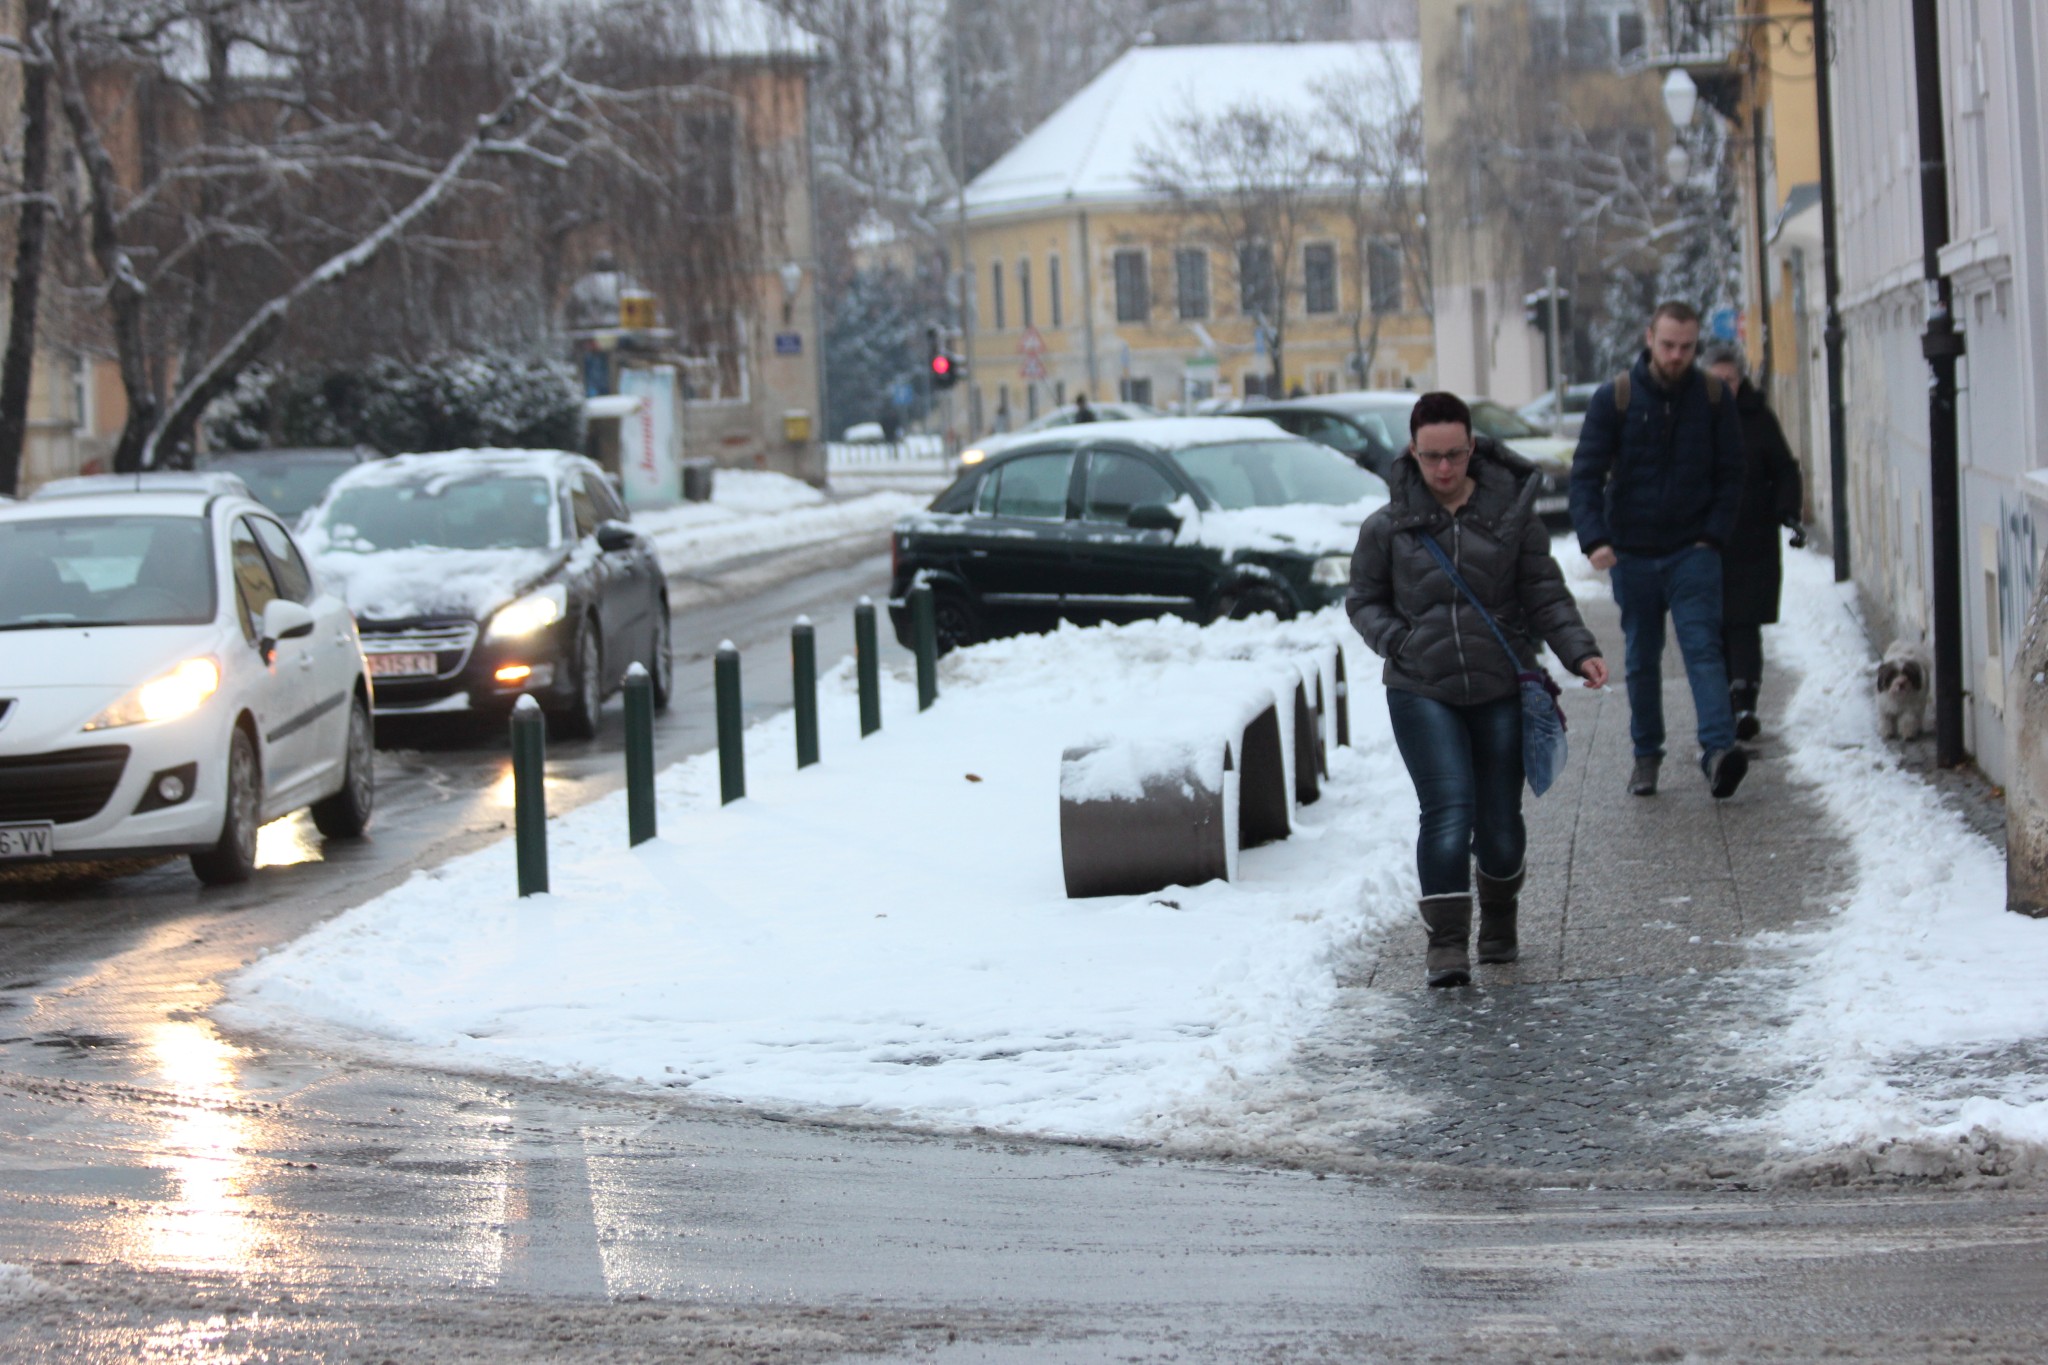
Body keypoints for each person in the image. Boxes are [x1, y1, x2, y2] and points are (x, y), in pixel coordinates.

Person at [1348, 392, 1608, 987]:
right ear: (1413, 452)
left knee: (1497, 820)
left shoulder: (1510, 514)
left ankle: (1499, 916)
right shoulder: (1388, 526)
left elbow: (1545, 593)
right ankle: (1445, 945)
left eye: (1455, 455)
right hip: (1421, 686)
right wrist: (1398, 641)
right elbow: (1362, 599)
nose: (1444, 469)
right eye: (1431, 457)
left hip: (1498, 684)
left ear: (1473, 448)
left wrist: (1581, 650)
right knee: (1446, 811)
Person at [1568, 300, 1748, 800]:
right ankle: (1646, 756)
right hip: (1633, 552)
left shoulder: (1712, 396)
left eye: (1686, 347)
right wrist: (1596, 539)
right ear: (1650, 338)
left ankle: (1718, 752)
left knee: (1703, 650)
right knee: (1642, 658)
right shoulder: (1616, 398)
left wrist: (1713, 535)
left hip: (1693, 549)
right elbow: (1585, 475)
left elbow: (1733, 473)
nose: (1676, 355)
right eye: (1668, 345)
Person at [1702, 346, 1806, 741]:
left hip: (1753, 538)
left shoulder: (1758, 417)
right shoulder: (1694, 418)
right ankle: (1722, 699)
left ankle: (1745, 700)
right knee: (1714, 625)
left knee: (1743, 623)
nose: (1724, 388)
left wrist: (1787, 512)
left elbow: (1784, 469)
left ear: (1740, 379)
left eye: (1730, 379)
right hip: (1708, 541)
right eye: (1717, 380)